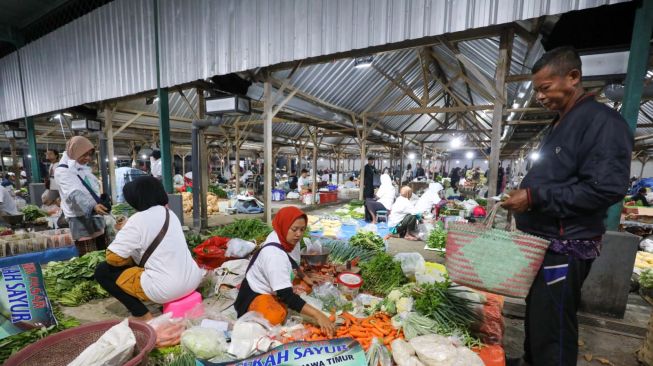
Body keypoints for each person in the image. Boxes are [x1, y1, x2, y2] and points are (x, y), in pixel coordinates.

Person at [501, 46, 633, 366]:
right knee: (539, 312)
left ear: (573, 77)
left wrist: (534, 197)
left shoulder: (602, 122)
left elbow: (605, 189)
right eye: (536, 91)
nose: (540, 97)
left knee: (556, 323)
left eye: (545, 88)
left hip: (566, 245)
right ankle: (532, 359)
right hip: (545, 241)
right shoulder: (563, 122)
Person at [95, 176, 203, 321]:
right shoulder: (169, 213)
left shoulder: (137, 219)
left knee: (102, 271)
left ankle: (142, 315)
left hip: (167, 289)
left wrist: (124, 231)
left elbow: (113, 258)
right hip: (192, 280)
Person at [234, 206, 335, 335]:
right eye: (294, 229)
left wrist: (304, 276)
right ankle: (252, 310)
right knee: (275, 317)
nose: (298, 234)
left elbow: (292, 260)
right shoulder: (274, 255)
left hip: (273, 284)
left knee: (307, 286)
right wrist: (318, 315)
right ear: (284, 225)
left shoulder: (287, 238)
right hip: (255, 293)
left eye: (302, 229)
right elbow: (286, 295)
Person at [55, 136, 108, 255]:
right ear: (74, 152)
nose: (88, 158)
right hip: (80, 220)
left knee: (103, 254)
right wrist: (93, 207)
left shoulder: (81, 168)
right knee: (89, 259)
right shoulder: (62, 171)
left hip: (95, 216)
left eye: (90, 154)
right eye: (84, 155)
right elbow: (74, 193)